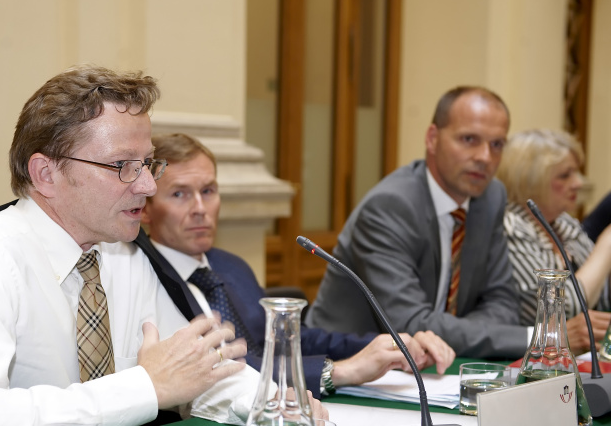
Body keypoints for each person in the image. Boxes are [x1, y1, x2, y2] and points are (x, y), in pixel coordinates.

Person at [0, 66, 270, 426]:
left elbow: (193, 370)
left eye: (147, 164)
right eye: (122, 165)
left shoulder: (123, 253)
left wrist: (274, 405)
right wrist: (142, 388)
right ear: (46, 174)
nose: (147, 186)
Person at [140, 132, 455, 398]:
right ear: (144, 209)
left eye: (208, 191)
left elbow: (292, 340)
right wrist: (339, 372)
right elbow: (222, 369)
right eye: (179, 194)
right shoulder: (145, 279)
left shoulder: (230, 266)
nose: (200, 208)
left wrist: (390, 347)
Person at [306, 86, 527, 358]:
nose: (485, 157)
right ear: (432, 138)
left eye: (497, 145)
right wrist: (535, 338)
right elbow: (410, 325)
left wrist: (461, 335)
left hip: (435, 366)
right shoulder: (389, 207)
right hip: (346, 365)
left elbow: (503, 302)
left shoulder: (491, 197)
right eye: (469, 139)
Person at [495, 129, 611, 350]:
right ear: (530, 181)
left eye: (576, 172)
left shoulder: (564, 224)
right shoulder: (509, 227)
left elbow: (602, 301)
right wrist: (607, 244)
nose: (578, 183)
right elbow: (560, 312)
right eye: (565, 175)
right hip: (529, 358)